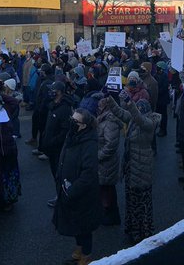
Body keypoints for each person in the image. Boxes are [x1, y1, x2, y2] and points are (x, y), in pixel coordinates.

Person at [53, 108, 102, 265]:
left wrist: (72, 190)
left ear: (84, 126)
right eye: (71, 119)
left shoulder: (90, 143)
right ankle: (79, 248)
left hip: (82, 194)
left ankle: (86, 256)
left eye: (75, 121)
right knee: (75, 223)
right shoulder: (73, 135)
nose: (71, 123)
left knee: (84, 226)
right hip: (69, 189)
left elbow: (89, 173)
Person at [123, 99, 160, 244]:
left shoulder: (148, 124)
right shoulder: (134, 120)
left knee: (141, 204)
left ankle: (143, 232)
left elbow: (138, 118)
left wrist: (129, 103)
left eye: (139, 108)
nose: (136, 110)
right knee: (132, 201)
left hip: (142, 168)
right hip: (131, 166)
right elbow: (121, 113)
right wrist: (110, 99)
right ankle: (132, 228)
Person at [96, 96, 125, 226]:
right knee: (105, 188)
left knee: (108, 189)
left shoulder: (109, 121)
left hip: (107, 161)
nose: (98, 108)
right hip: (105, 161)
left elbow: (111, 145)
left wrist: (98, 156)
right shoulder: (104, 118)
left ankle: (111, 217)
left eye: (100, 106)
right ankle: (107, 214)